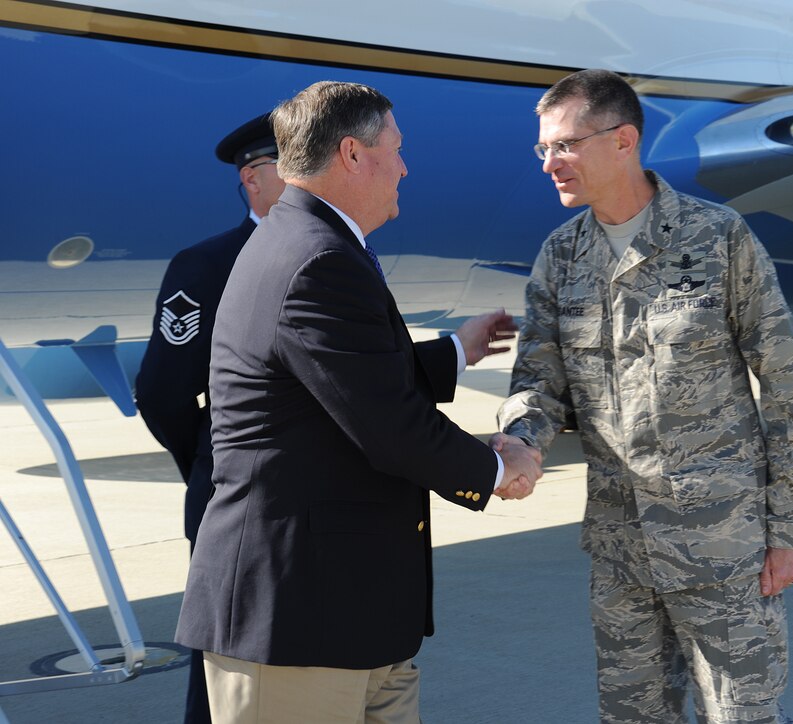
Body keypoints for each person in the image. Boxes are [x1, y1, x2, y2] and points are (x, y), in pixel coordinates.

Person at [175, 80, 543, 724]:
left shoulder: (315, 245)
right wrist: (497, 468)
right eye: (395, 149)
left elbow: (360, 386)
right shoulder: (316, 258)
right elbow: (389, 425)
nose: (404, 166)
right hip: (298, 622)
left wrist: (457, 369)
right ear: (351, 153)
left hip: (351, 614)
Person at [496, 69, 793, 724]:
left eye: (564, 145)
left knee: (744, 716)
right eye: (543, 149)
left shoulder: (718, 238)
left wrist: (790, 528)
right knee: (632, 717)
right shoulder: (562, 257)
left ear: (623, 141)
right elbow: (538, 381)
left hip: (723, 553)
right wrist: (519, 438)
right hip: (621, 555)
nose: (550, 163)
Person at [135, 111, 285, 724]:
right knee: (227, 666)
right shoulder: (208, 264)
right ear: (252, 178)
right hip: (235, 495)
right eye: (292, 164)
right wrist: (209, 460)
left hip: (313, 509)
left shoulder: (345, 252)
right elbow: (165, 393)